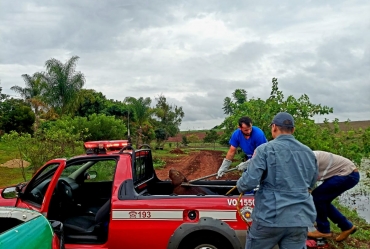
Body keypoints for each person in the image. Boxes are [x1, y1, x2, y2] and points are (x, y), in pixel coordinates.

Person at [236, 112, 318, 249]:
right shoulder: (308, 152)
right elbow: (311, 183)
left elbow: (248, 182)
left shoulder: (264, 150)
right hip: (299, 219)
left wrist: (240, 184)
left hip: (270, 218)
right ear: (293, 130)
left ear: (274, 127)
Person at [307, 151, 360, 242]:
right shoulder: (303, 156)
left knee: (317, 197)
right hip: (346, 174)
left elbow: (309, 180)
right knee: (322, 200)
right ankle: (347, 226)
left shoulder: (307, 158)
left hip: (347, 175)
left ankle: (323, 230)